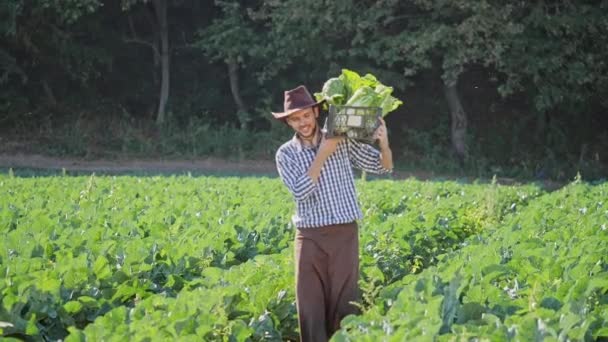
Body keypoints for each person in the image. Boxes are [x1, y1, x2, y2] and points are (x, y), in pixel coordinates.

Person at [272, 85, 393, 342]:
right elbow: (300, 191)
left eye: (306, 115)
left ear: (316, 111)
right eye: (295, 118)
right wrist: (323, 153)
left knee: (345, 303)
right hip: (310, 236)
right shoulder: (286, 154)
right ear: (289, 122)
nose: (302, 122)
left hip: (344, 233)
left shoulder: (342, 136)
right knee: (309, 303)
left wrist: (384, 144)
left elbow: (382, 168)